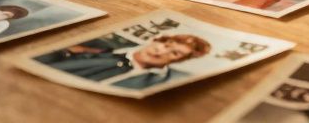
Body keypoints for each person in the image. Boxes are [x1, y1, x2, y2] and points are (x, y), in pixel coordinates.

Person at [39, 33, 210, 89]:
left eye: (175, 53)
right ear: (156, 40)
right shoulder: (95, 48)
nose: (160, 51)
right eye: (166, 44)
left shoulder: (161, 81)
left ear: (178, 62)